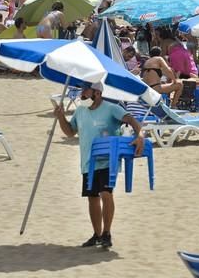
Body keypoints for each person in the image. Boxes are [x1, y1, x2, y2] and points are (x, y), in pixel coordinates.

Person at [53, 82, 144, 248]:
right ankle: (97, 234)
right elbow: (70, 131)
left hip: (107, 160)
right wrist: (60, 117)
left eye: (86, 90)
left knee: (105, 193)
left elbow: (131, 119)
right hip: (87, 161)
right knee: (92, 197)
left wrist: (140, 135)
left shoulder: (111, 108)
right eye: (82, 90)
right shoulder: (80, 111)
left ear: (97, 93)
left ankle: (107, 233)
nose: (82, 93)